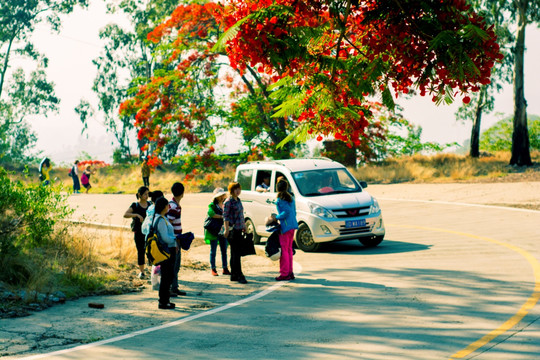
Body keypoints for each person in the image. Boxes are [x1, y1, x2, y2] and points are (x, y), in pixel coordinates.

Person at [152, 197, 177, 310]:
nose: (169, 207)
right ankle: (163, 302)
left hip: (167, 251)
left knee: (168, 276)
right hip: (166, 252)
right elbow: (165, 238)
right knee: (166, 277)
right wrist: (176, 240)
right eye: (167, 205)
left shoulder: (162, 218)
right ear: (163, 207)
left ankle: (165, 300)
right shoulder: (161, 220)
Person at [271, 179, 298, 281]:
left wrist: (276, 217)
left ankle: (284, 273)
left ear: (277, 188)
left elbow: (285, 212)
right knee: (289, 250)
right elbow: (293, 212)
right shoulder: (291, 198)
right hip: (292, 225)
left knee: (284, 251)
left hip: (285, 227)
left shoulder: (280, 199)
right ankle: (290, 272)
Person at [123, 186, 151, 279]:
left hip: (149, 232)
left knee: (151, 250)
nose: (147, 196)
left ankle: (154, 270)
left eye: (148, 194)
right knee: (140, 251)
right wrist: (136, 215)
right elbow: (125, 214)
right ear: (140, 194)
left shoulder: (150, 204)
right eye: (145, 194)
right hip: (138, 232)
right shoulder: (135, 205)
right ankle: (142, 272)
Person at [223, 182, 248, 284]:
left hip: (239, 229)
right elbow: (226, 216)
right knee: (236, 253)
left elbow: (241, 215)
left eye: (239, 189)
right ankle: (239, 274)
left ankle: (234, 274)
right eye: (235, 189)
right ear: (231, 190)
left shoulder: (238, 200)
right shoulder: (228, 202)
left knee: (235, 253)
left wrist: (244, 226)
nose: (238, 191)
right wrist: (226, 229)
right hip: (233, 230)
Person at [204, 188, 230, 276]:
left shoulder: (225, 204)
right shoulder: (212, 205)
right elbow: (211, 213)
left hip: (223, 230)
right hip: (214, 230)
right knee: (213, 251)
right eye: (220, 195)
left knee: (224, 250)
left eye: (223, 195)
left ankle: (225, 268)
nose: (222, 197)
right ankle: (213, 269)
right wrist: (221, 217)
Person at [167, 182, 187, 296]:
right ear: (182, 193)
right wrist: (174, 240)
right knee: (173, 265)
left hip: (177, 239)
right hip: (174, 240)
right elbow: (169, 224)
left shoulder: (174, 205)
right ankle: (171, 288)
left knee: (176, 265)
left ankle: (174, 287)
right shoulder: (174, 207)